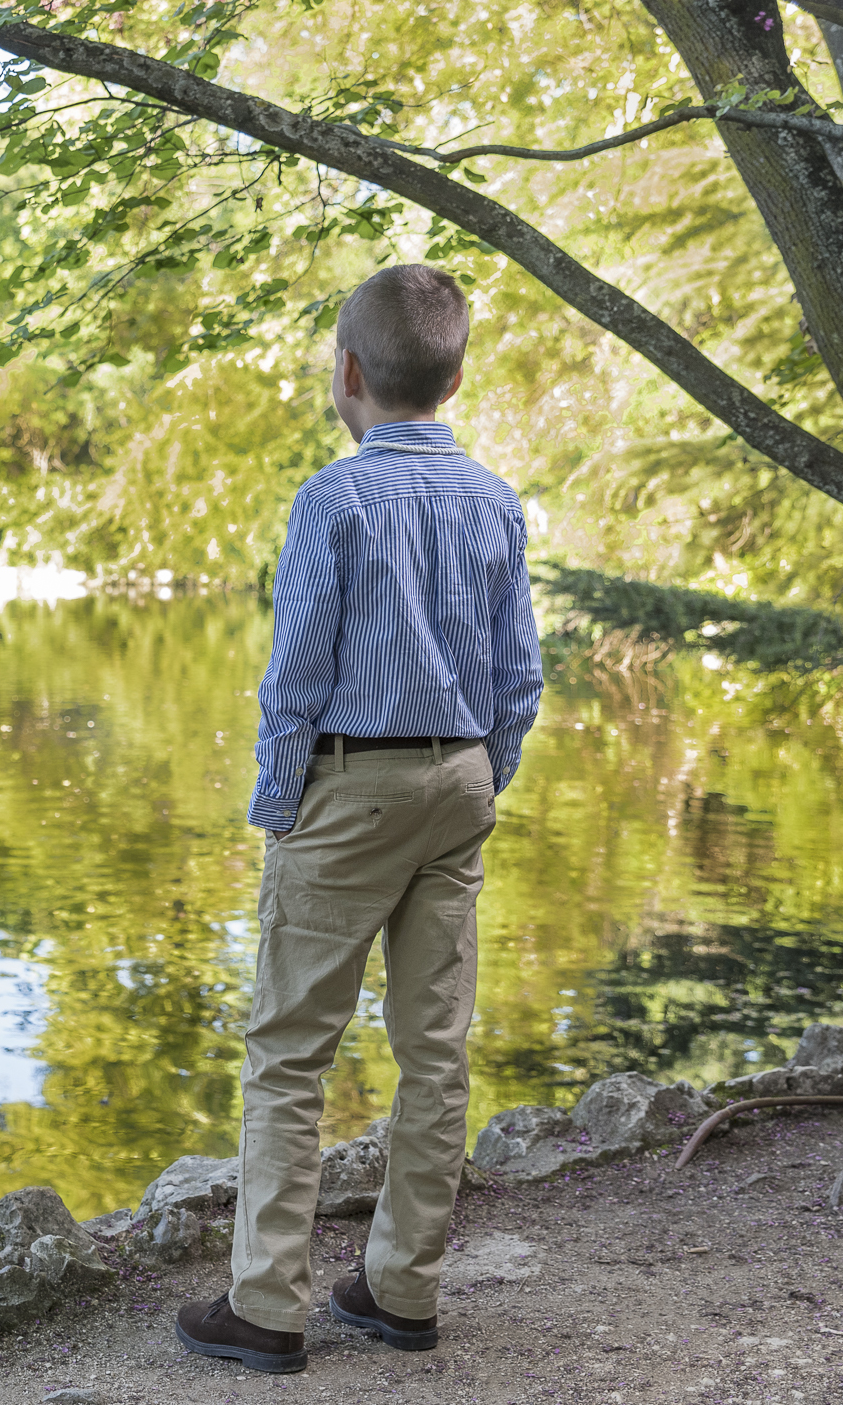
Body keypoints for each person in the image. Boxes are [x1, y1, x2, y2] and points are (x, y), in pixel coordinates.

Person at [175, 263, 544, 1373]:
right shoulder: (492, 500)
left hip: (353, 785)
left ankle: (269, 1308)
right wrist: (485, 776)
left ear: (347, 374)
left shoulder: (333, 500)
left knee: (290, 1054)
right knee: (434, 1048)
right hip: (461, 780)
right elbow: (520, 677)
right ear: (457, 375)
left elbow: (296, 676)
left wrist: (281, 805)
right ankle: (400, 1291)